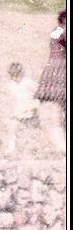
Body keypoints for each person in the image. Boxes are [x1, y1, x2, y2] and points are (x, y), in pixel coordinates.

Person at [35, 10, 67, 154]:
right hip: (58, 71)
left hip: (62, 70)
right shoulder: (59, 30)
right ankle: (62, 146)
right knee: (56, 112)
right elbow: (58, 36)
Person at [4, 62, 41, 155]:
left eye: (17, 74)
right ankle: (11, 149)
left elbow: (39, 92)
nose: (15, 77)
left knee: (33, 131)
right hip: (18, 112)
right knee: (12, 129)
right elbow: (10, 99)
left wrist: (36, 106)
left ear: (21, 73)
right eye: (13, 75)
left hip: (30, 110)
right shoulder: (11, 85)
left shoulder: (28, 82)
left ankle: (35, 149)